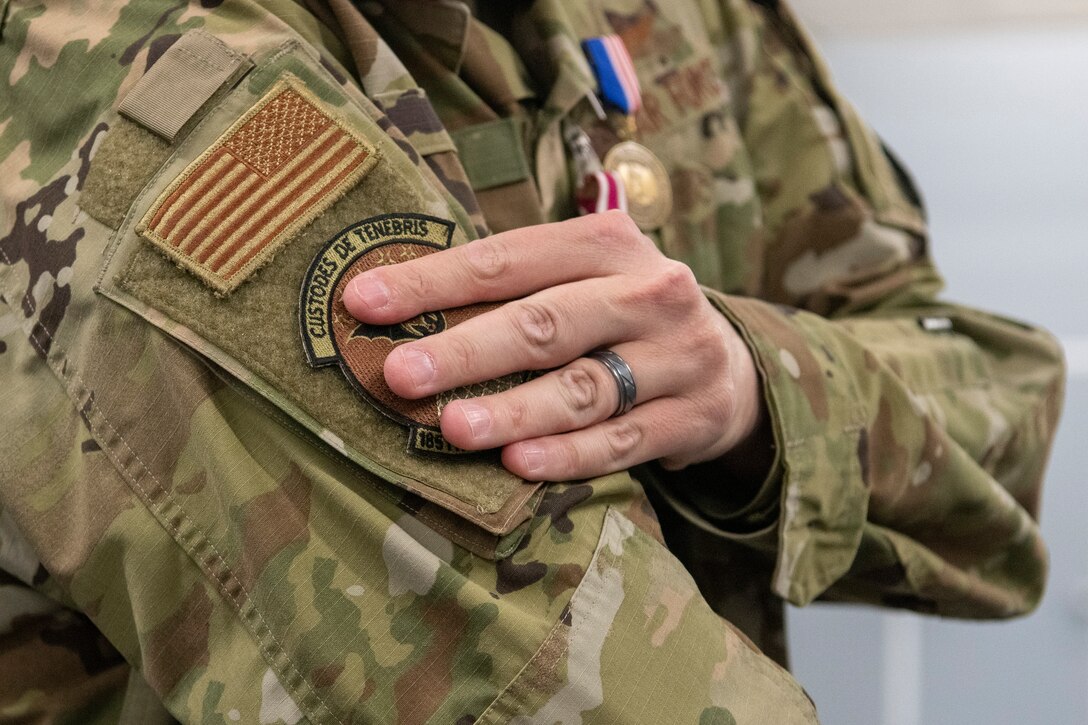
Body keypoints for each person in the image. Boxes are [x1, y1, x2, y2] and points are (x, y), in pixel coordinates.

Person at [0, 0, 1064, 722]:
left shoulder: (685, 20)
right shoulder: (128, 63)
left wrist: (754, 376)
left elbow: (994, 394)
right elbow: (553, 682)